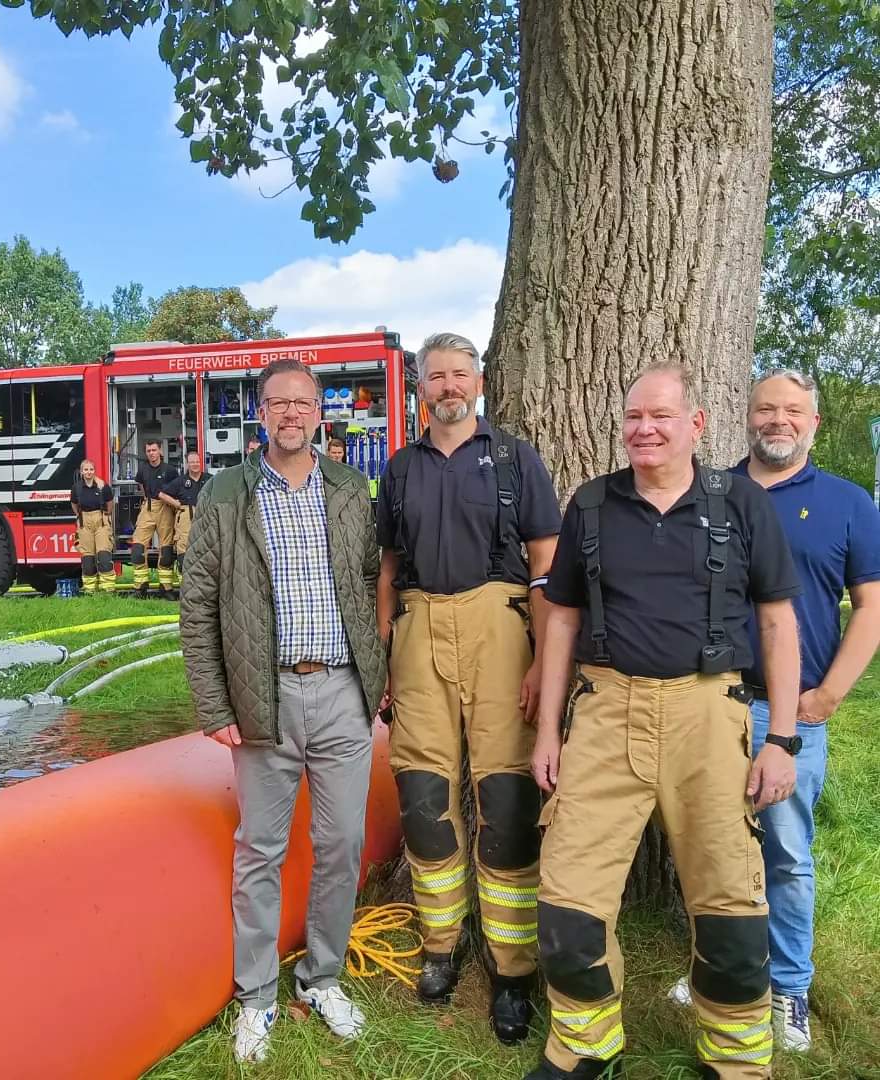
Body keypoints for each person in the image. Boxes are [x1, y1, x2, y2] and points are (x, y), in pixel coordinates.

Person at [526, 362, 802, 1080]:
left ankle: (737, 1061)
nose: (644, 430)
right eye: (633, 418)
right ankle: (587, 1047)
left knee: (731, 907)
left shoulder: (739, 504)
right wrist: (546, 728)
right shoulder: (590, 504)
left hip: (709, 716)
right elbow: (560, 625)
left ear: (697, 425)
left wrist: (781, 738)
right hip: (604, 713)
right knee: (567, 902)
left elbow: (777, 622)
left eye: (661, 417)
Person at [181, 359, 387, 1064]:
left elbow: (367, 582)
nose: (292, 414)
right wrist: (214, 702)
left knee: (341, 845)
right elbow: (198, 603)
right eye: (279, 403)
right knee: (260, 850)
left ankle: (322, 978)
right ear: (260, 414)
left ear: (318, 414)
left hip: (341, 692)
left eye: (303, 403)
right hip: (261, 693)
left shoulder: (351, 488)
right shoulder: (227, 493)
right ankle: (258, 995)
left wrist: (376, 676)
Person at [668, 369, 880, 1051]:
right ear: (746, 417)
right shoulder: (708, 494)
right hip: (710, 705)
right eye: (766, 409)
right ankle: (717, 969)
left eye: (793, 411)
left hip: (791, 716)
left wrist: (828, 695)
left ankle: (788, 986)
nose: (778, 421)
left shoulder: (849, 503)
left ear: (813, 423)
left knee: (787, 855)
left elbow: (872, 608)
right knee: (709, 851)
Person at [376, 332, 561, 1044]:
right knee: (424, 798)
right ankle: (442, 946)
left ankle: (512, 970)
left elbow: (545, 565)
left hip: (501, 629)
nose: (448, 386)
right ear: (420, 387)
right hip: (419, 631)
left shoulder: (515, 458)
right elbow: (388, 571)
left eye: (459, 374)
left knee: (507, 801)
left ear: (478, 382)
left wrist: (545, 660)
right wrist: (387, 656)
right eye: (435, 376)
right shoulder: (398, 469)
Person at [131, 439, 178, 598]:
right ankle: (140, 588)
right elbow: (142, 487)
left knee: (166, 550)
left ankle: (166, 588)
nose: (151, 453)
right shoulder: (143, 470)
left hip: (165, 508)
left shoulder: (170, 470)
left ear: (160, 452)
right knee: (137, 548)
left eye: (154, 450)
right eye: (149, 451)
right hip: (148, 507)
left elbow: (175, 490)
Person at [158, 449, 208, 582]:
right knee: (184, 549)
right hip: (186, 517)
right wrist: (176, 504)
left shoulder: (209, 479)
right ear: (187, 464)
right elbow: (162, 494)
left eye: (197, 461)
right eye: (192, 462)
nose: (195, 464)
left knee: (206, 548)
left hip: (205, 517)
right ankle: (185, 586)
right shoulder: (181, 481)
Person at [70, 459, 115, 595]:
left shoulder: (103, 486)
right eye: (86, 470)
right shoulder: (76, 488)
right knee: (88, 559)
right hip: (84, 522)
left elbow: (110, 502)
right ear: (82, 472)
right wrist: (80, 515)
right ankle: (90, 591)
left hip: (101, 520)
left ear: (94, 471)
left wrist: (106, 515)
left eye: (91, 469)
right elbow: (74, 504)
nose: (88, 472)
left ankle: (108, 590)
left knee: (104, 556)